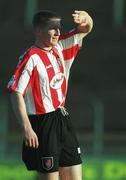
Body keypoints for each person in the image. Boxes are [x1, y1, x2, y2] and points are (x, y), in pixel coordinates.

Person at [7, 10, 93, 180]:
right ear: (38, 30)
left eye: (59, 28)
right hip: (42, 123)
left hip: (62, 117)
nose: (58, 33)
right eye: (53, 28)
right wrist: (27, 128)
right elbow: (16, 93)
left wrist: (86, 19)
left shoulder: (60, 47)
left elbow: (86, 29)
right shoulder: (30, 57)